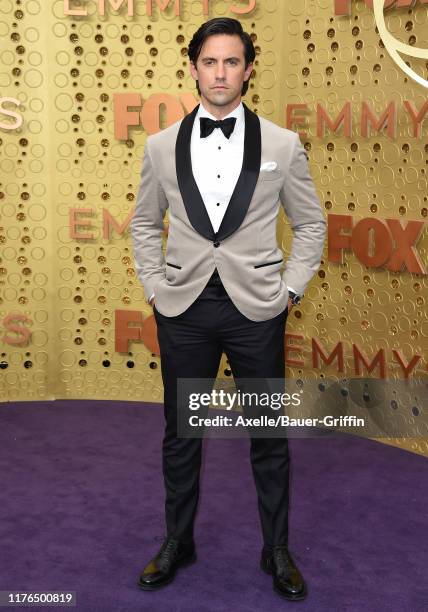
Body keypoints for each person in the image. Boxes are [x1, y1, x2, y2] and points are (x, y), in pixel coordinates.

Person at [131, 17, 326, 601]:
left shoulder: (283, 144)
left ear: (247, 68)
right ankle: (177, 542)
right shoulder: (160, 146)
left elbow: (311, 224)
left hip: (256, 309)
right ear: (193, 67)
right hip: (184, 307)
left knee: (268, 434)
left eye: (231, 62)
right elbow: (144, 224)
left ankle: (277, 549)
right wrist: (153, 287)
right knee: (180, 434)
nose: (220, 73)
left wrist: (289, 290)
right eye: (210, 62)